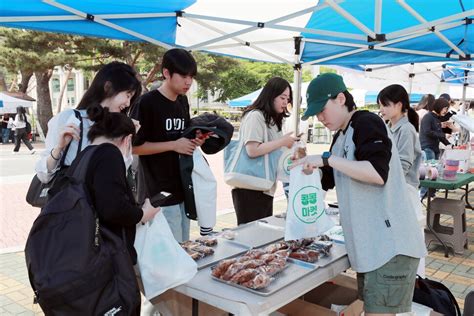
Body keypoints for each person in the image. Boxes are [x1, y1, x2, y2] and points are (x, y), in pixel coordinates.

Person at [296, 73, 426, 315]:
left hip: (390, 247)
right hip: (371, 247)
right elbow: (330, 178)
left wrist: (326, 159)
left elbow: (377, 173)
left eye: (322, 110)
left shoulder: (366, 122)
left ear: (341, 99)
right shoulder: (341, 135)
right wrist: (308, 168)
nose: (320, 118)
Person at [68, 110, 160, 315]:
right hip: (107, 258)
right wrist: (143, 213)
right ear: (128, 139)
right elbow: (113, 208)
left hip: (84, 254)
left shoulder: (85, 155)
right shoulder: (109, 154)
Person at [132, 48, 207, 242]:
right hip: (157, 194)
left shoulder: (182, 101)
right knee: (168, 258)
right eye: (183, 75)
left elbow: (182, 139)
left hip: (182, 189)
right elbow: (133, 147)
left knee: (183, 249)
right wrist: (174, 145)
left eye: (191, 76)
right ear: (166, 73)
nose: (188, 82)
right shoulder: (146, 103)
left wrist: (195, 140)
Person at [35, 61, 141, 184]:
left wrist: (126, 144)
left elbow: (118, 178)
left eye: (131, 98)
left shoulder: (118, 128)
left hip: (105, 201)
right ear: (108, 87)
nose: (128, 103)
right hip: (73, 201)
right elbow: (43, 176)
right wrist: (59, 147)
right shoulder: (70, 119)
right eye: (128, 95)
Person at [232, 77, 298, 225]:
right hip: (250, 189)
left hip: (264, 187)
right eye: (282, 97)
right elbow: (252, 150)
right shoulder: (255, 116)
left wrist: (288, 144)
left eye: (288, 98)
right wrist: (282, 141)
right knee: (252, 237)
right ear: (270, 95)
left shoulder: (271, 120)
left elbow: (272, 149)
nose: (285, 102)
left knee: (260, 237)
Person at [377, 84, 426, 277]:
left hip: (404, 191)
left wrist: (379, 175)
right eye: (380, 105)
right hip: (396, 190)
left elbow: (403, 165)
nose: (381, 110)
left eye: (385, 105)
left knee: (409, 241)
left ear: (399, 105)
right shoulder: (391, 127)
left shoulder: (406, 130)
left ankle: (416, 281)